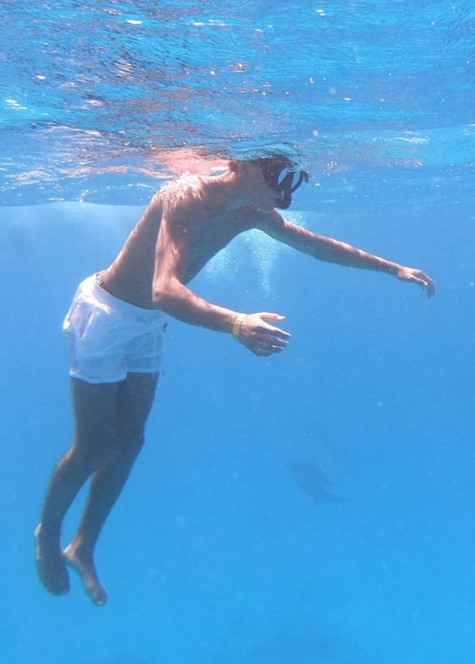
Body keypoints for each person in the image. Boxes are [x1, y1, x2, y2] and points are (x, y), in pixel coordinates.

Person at [34, 154, 434, 606]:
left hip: (146, 324)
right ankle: (48, 533)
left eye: (293, 177)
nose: (284, 187)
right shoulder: (184, 196)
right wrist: (237, 323)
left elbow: (316, 245)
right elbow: (163, 290)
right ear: (237, 165)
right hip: (106, 315)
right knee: (93, 446)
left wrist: (392, 267)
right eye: (276, 173)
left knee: (129, 442)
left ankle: (83, 543)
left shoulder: (251, 213)